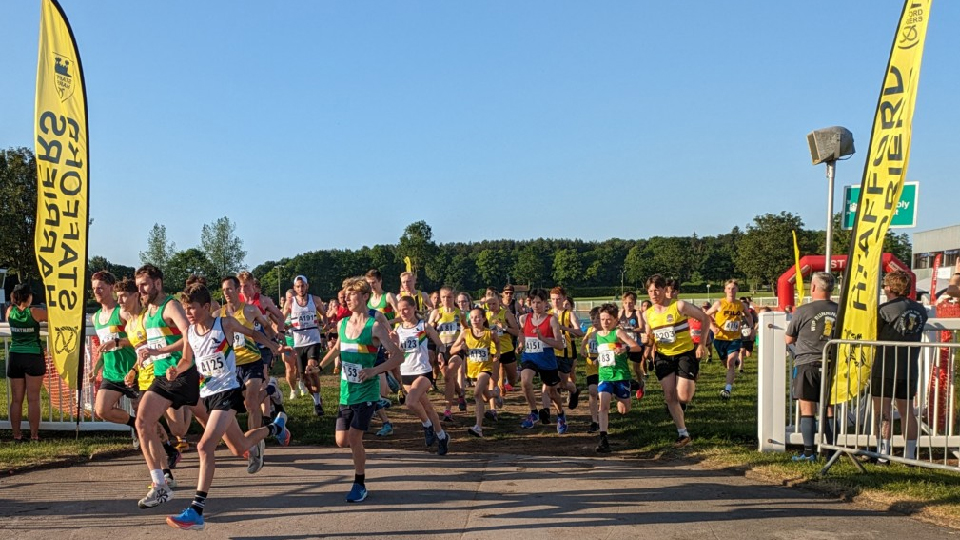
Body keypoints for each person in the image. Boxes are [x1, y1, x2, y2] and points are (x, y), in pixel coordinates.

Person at [165, 283, 288, 531]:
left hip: (228, 392)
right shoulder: (189, 332)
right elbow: (188, 359)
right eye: (186, 308)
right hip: (208, 395)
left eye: (192, 308)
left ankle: (197, 509)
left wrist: (273, 346)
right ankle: (275, 428)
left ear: (207, 307)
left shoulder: (224, 325)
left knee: (204, 446)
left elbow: (252, 334)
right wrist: (175, 370)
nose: (188, 313)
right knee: (239, 447)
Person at [319, 277, 405, 503]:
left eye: (351, 294)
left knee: (355, 437)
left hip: (367, 390)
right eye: (345, 294)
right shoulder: (342, 324)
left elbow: (398, 356)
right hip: (346, 391)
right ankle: (378, 405)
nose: (346, 298)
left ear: (364, 296)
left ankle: (359, 483)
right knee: (341, 441)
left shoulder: (374, 326)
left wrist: (375, 371)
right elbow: (337, 349)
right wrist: (317, 367)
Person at [133, 264, 194, 509]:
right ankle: (161, 485)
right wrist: (143, 357)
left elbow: (189, 332)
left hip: (181, 373)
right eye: (138, 286)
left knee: (145, 421)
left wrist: (164, 353)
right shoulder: (148, 311)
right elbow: (156, 341)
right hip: (163, 376)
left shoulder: (170, 305)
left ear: (158, 283)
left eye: (144, 285)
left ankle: (264, 434)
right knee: (146, 423)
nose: (141, 290)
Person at [643, 274, 717, 448]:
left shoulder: (679, 306)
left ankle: (690, 379)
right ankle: (683, 433)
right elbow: (651, 336)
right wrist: (647, 345)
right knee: (669, 396)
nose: (654, 294)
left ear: (664, 290)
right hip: (663, 355)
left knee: (684, 396)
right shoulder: (648, 314)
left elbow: (705, 318)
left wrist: (701, 344)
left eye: (657, 290)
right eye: (650, 291)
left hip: (685, 353)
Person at [871, 271, 928, 463]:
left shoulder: (885, 309)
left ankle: (882, 456)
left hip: (885, 365)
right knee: (907, 411)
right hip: (909, 366)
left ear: (889, 287)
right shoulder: (920, 310)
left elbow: (875, 332)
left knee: (882, 410)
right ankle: (910, 456)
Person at [784, 272, 838, 462]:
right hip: (833, 363)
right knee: (830, 407)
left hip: (807, 362)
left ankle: (809, 452)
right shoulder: (841, 310)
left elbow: (789, 338)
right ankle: (832, 453)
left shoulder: (803, 310)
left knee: (807, 407)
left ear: (813, 287)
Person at [220, 275, 278, 434]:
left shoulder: (251, 310)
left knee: (251, 404)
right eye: (224, 290)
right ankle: (270, 389)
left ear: (238, 290)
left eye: (229, 289)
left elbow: (266, 327)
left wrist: (273, 344)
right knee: (241, 405)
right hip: (231, 366)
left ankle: (255, 448)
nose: (226, 293)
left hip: (252, 362)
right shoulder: (218, 314)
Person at [394, 295, 450, 454]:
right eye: (400, 310)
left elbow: (440, 344)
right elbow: (396, 352)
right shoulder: (398, 330)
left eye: (406, 308)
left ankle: (426, 426)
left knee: (411, 402)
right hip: (406, 372)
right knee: (427, 407)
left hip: (423, 371)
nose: (403, 312)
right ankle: (441, 435)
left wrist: (440, 353)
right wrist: (393, 343)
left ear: (413, 308)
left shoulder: (423, 326)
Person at [90, 272, 140, 435]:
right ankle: (134, 424)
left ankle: (167, 447)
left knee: (144, 417)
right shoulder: (95, 317)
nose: (97, 291)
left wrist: (118, 342)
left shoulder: (122, 312)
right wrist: (96, 368)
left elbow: (140, 339)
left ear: (111, 288)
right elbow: (105, 347)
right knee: (102, 410)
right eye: (94, 289)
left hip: (132, 371)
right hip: (111, 374)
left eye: (100, 288)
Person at [517, 289, 568, 433]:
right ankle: (533, 413)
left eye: (539, 302)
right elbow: (522, 332)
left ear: (546, 303)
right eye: (533, 302)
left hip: (546, 359)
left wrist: (543, 339)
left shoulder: (551, 319)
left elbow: (560, 344)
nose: (536, 305)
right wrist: (521, 344)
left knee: (552, 393)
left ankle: (560, 414)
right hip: (530, 357)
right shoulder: (524, 318)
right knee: (525, 381)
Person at [594, 303, 643, 453]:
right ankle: (603, 438)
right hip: (605, 376)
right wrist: (597, 359)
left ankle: (633, 387)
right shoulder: (596, 335)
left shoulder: (618, 333)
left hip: (621, 375)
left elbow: (637, 347)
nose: (605, 322)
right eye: (602, 319)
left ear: (615, 320)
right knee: (603, 406)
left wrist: (625, 348)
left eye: (608, 319)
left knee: (624, 410)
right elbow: (602, 352)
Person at [5, 283, 47, 443]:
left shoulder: (10, 311)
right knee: (33, 398)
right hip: (33, 356)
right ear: (28, 296)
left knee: (16, 400)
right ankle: (34, 436)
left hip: (15, 356)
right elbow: (54, 317)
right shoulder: (34, 312)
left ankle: (16, 435)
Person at [452, 307, 500, 437]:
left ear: (484, 319)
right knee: (484, 396)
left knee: (477, 393)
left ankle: (478, 427)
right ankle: (495, 394)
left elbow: (497, 344)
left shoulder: (490, 333)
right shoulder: (465, 333)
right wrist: (459, 347)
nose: (475, 320)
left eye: (478, 317)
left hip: (486, 368)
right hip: (473, 370)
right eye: (472, 317)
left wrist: (497, 354)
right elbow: (452, 350)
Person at [284, 275, 326, 416]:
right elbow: (281, 320)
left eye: (303, 286)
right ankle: (315, 398)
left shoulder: (315, 300)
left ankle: (318, 404)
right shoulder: (290, 302)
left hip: (313, 340)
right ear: (294, 288)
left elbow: (324, 315)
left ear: (307, 286)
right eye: (297, 286)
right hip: (298, 342)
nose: (300, 289)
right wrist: (281, 327)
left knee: (311, 369)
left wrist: (324, 322)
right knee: (304, 378)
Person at [706, 279, 752, 400]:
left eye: (733, 288)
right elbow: (706, 315)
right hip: (720, 338)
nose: (731, 290)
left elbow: (748, 314)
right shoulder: (719, 303)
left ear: (737, 290)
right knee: (725, 363)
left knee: (730, 363)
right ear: (725, 290)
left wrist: (750, 328)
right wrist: (713, 327)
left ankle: (727, 390)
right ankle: (734, 361)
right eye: (729, 288)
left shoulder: (740, 304)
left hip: (734, 339)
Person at [428, 287, 466, 421]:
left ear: (454, 297)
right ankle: (461, 394)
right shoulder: (436, 312)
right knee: (449, 378)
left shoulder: (459, 313)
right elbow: (428, 331)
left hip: (455, 348)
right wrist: (434, 321)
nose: (446, 300)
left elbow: (466, 329)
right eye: (443, 297)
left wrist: (464, 342)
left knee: (449, 375)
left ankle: (448, 410)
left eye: (449, 297)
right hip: (442, 349)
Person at [549, 287, 583, 411]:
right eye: (553, 299)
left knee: (562, 384)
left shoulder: (569, 314)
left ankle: (574, 390)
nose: (556, 302)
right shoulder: (548, 314)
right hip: (551, 353)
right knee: (551, 384)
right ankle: (558, 412)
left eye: (558, 299)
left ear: (564, 299)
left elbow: (579, 332)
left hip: (565, 352)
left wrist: (564, 328)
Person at [485, 293, 520, 396]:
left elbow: (517, 332)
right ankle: (494, 401)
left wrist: (504, 328)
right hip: (493, 350)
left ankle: (516, 377)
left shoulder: (506, 314)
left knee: (512, 379)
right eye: (489, 304)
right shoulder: (485, 316)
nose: (491, 306)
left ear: (499, 302)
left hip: (507, 350)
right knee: (493, 378)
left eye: (494, 304)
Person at [618, 291, 647, 397]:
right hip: (624, 344)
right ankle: (626, 384)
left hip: (636, 344)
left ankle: (640, 384)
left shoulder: (637, 313)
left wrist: (631, 329)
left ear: (634, 303)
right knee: (622, 365)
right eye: (625, 303)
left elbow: (642, 328)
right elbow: (616, 324)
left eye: (630, 303)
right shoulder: (621, 313)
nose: (628, 305)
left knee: (636, 368)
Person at [580, 307, 601, 433]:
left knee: (603, 394)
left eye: (598, 318)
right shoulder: (589, 331)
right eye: (593, 319)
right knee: (592, 391)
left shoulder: (606, 332)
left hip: (604, 368)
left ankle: (604, 416)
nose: (596, 321)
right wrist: (582, 350)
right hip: (591, 367)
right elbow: (584, 341)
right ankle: (594, 421)